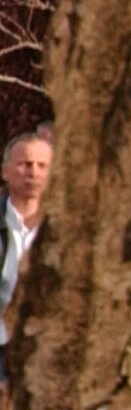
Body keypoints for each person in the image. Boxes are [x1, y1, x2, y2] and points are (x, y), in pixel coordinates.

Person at [0, 125, 47, 389]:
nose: (33, 173)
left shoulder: (71, 231)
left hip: (47, 351)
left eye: (42, 166)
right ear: (5, 171)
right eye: (25, 164)